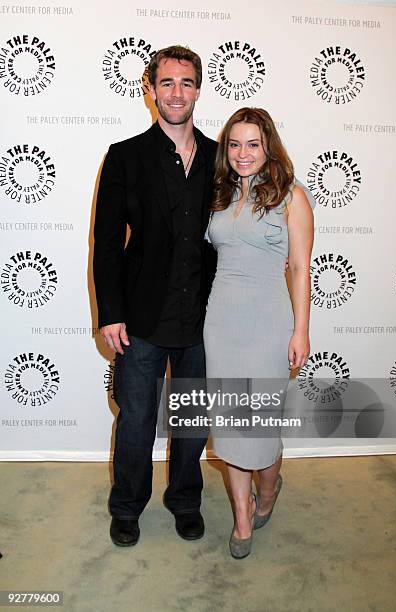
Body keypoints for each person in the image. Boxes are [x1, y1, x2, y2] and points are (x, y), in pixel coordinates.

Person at [93, 45, 217, 547]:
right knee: (137, 421)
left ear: (198, 90)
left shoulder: (218, 156)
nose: (176, 93)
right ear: (150, 89)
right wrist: (111, 313)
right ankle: (126, 506)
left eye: (186, 83)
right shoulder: (124, 156)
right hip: (141, 318)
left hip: (204, 318)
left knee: (192, 424)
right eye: (166, 83)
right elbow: (104, 243)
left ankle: (185, 500)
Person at [203, 107, 314, 558]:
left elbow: (302, 269)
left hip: (269, 321)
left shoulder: (292, 197)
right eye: (234, 144)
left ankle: (269, 490)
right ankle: (243, 522)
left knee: (260, 427)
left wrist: (301, 331)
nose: (242, 153)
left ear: (268, 146)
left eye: (252, 143)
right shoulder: (219, 195)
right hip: (221, 321)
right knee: (230, 425)